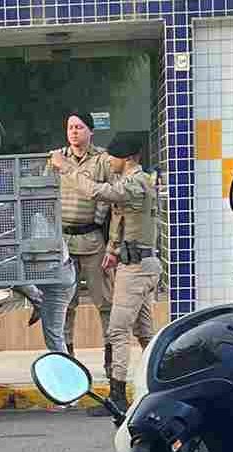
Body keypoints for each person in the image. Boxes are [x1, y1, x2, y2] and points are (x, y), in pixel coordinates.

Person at [49, 131, 161, 416]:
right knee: (144, 333)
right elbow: (120, 218)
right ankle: (163, 383)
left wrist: (67, 168)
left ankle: (118, 398)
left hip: (136, 270)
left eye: (113, 156)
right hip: (138, 265)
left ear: (127, 158)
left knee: (118, 330)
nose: (108, 161)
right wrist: (112, 248)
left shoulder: (135, 183)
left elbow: (98, 192)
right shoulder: (133, 181)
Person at [46, 112, 115, 378]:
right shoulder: (55, 158)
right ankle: (68, 363)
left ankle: (112, 364)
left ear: (91, 131)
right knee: (65, 305)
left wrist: (112, 243)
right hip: (62, 242)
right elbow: (42, 192)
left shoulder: (103, 159)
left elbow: (111, 197)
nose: (74, 132)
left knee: (105, 302)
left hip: (93, 240)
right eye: (70, 127)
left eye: (79, 127)